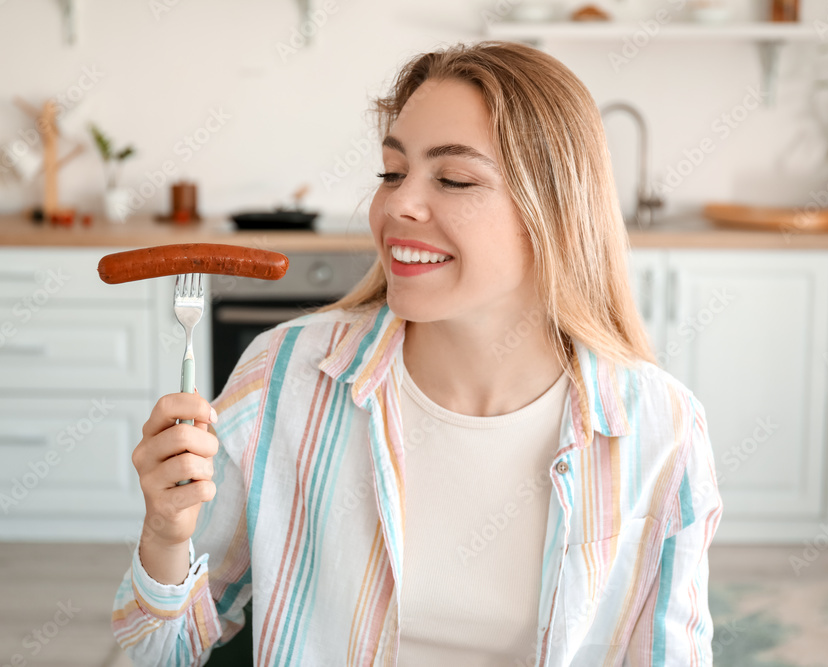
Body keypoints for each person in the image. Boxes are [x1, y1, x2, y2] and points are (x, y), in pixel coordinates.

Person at [111, 40, 723, 666]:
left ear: (556, 213)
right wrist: (166, 534)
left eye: (454, 178)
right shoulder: (283, 378)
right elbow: (157, 655)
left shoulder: (659, 427)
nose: (398, 204)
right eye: (392, 172)